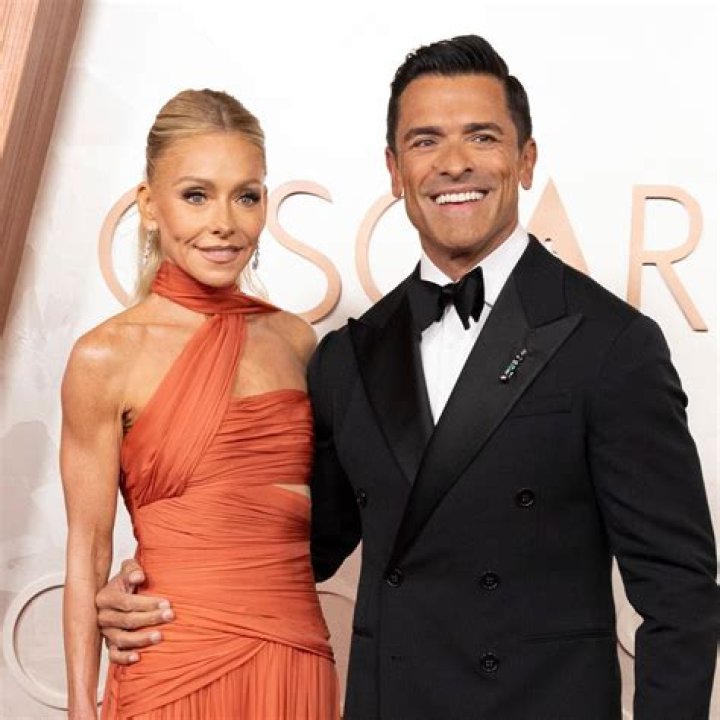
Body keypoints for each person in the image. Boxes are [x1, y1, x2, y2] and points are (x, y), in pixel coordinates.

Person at [95, 37, 719, 719]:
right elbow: (299, 547)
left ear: (526, 159)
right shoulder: (348, 356)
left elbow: (679, 592)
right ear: (394, 171)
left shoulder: (610, 343)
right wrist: (160, 584)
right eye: (425, 141)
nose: (453, 163)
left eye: (482, 136)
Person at [60, 89, 339, 720]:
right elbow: (87, 547)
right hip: (170, 657)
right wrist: (80, 704)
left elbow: (340, 508)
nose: (224, 222)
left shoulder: (296, 342)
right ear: (149, 205)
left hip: (293, 658)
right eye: (196, 195)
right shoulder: (105, 356)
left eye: (246, 196)